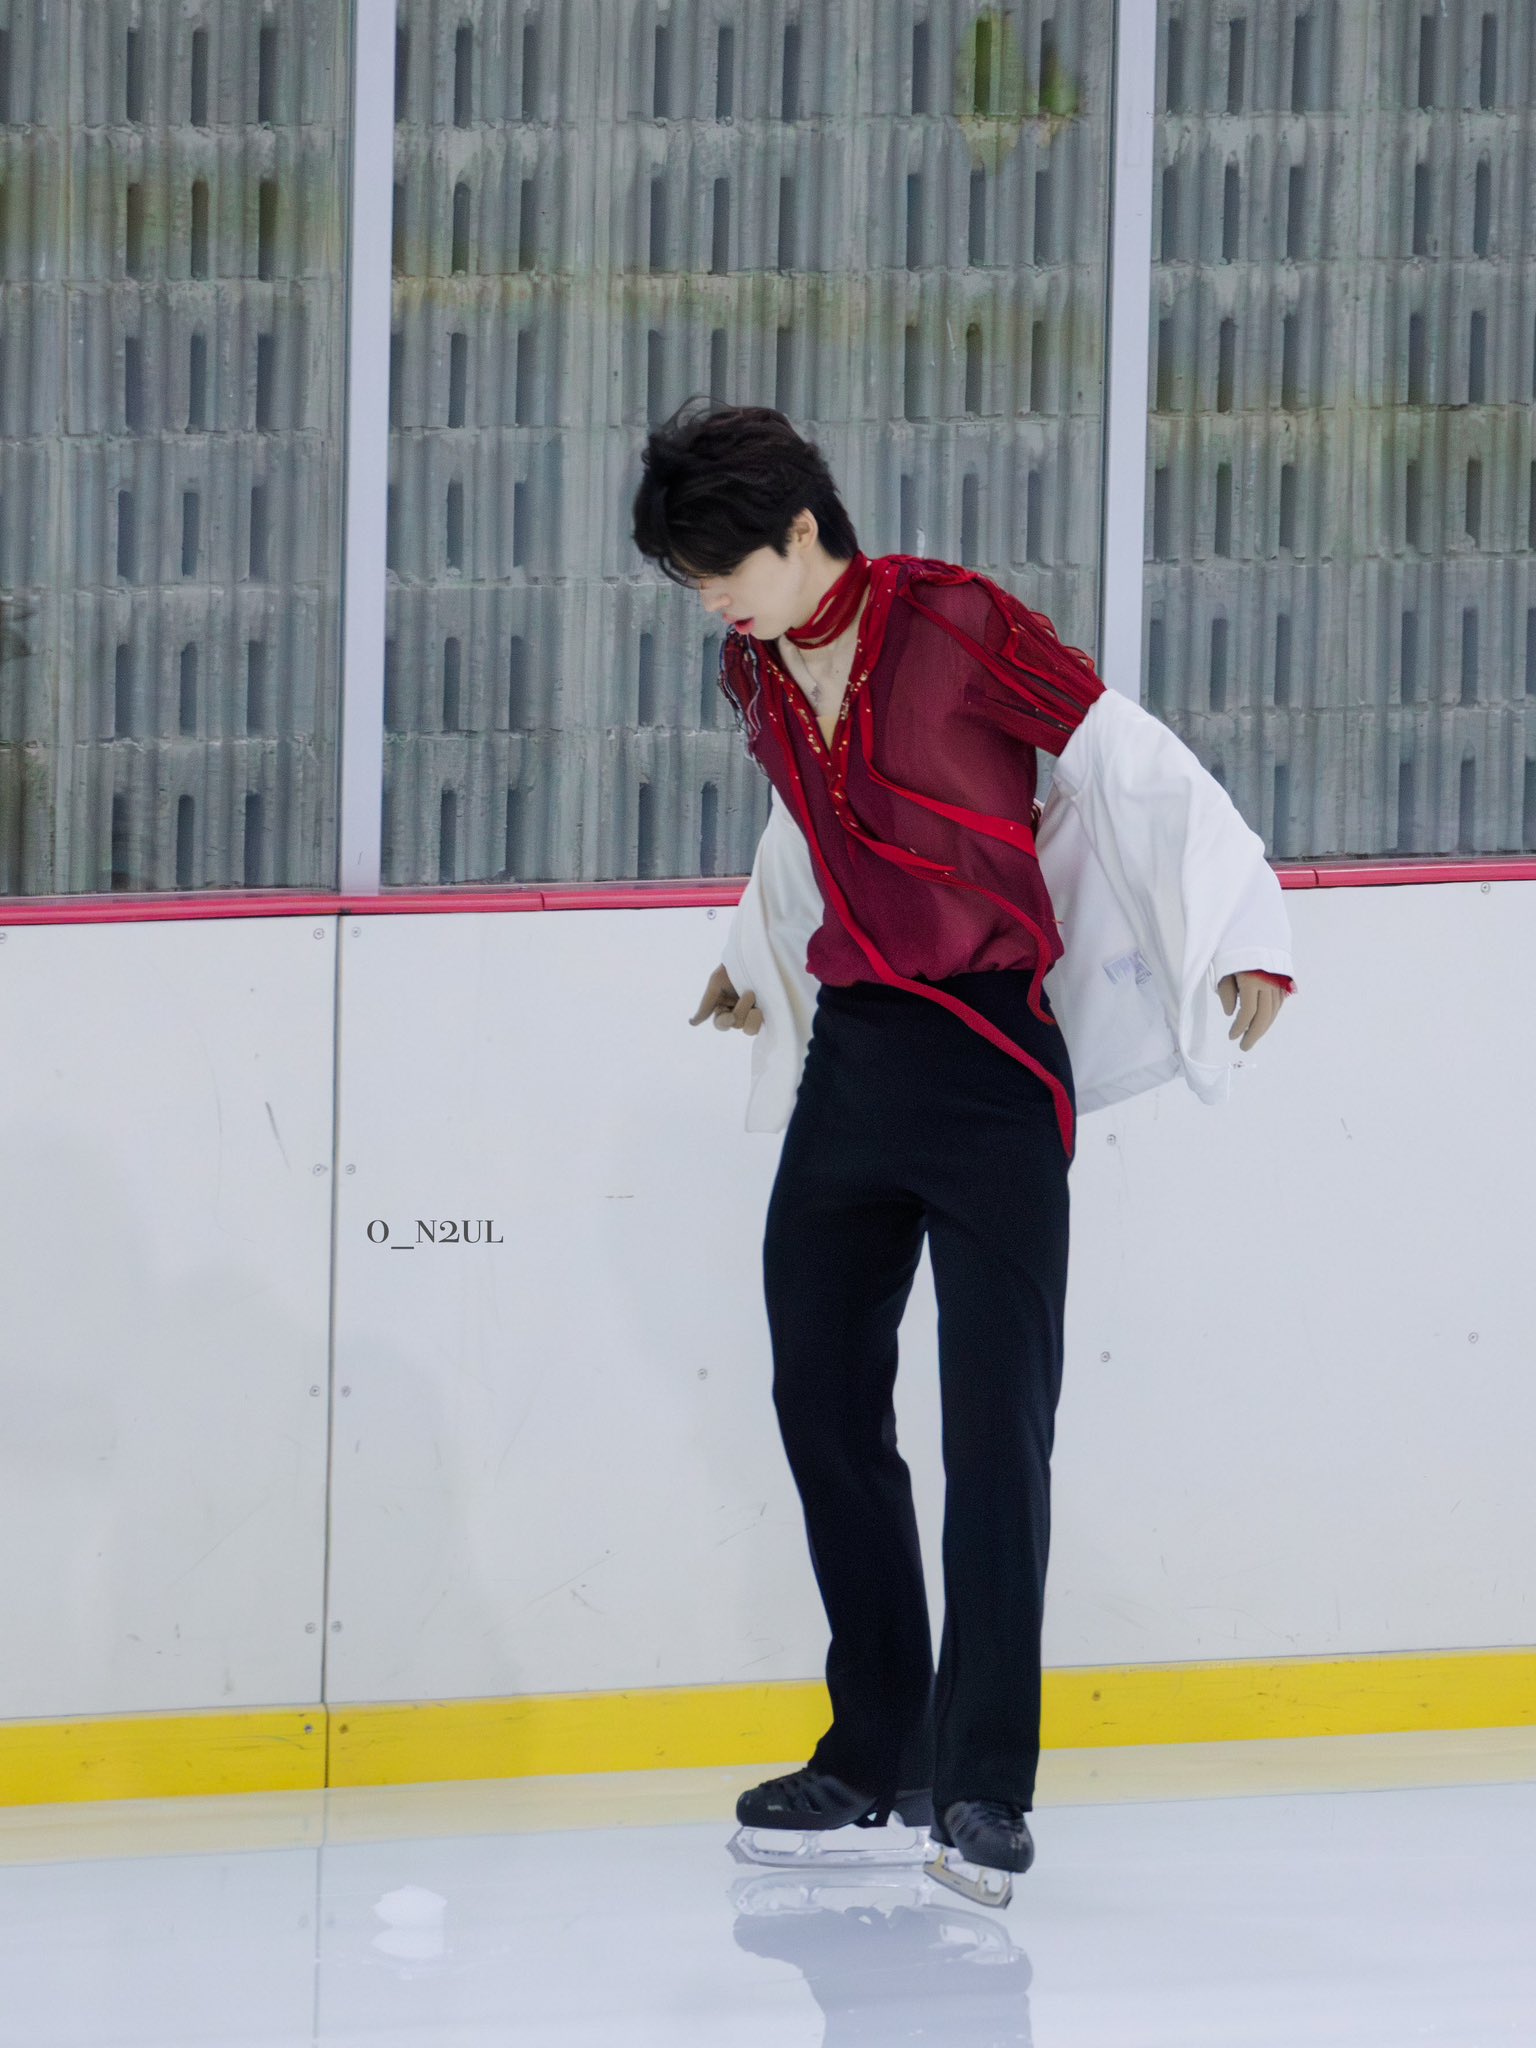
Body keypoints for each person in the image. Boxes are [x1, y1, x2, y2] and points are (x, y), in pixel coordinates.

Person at [632, 400, 1292, 1909]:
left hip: (994, 1064)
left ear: (804, 529)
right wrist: (752, 951)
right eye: (693, 579)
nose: (711, 600)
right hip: (857, 1065)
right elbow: (812, 822)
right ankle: (880, 1746)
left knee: (998, 1430)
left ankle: (986, 1787)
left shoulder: (957, 621)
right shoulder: (755, 665)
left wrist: (1241, 932)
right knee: (821, 1399)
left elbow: (1127, 761)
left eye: (723, 567)